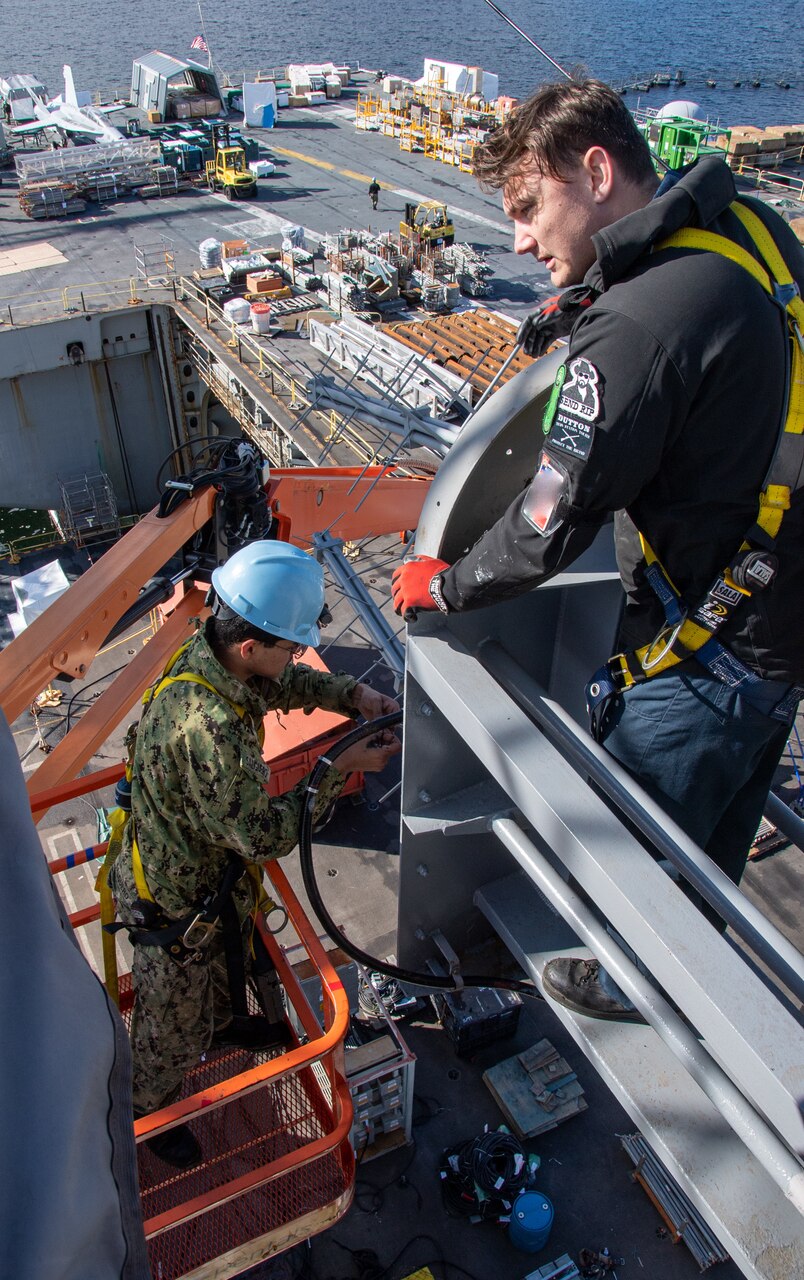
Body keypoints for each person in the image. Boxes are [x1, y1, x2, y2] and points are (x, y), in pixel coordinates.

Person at [392, 79, 804, 1022]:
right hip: (786, 613)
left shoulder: (636, 330)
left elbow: (547, 518)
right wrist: (591, 309)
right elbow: (716, 357)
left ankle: (626, 980)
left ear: (598, 169)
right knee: (715, 831)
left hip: (715, 651)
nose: (522, 243)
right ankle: (702, 941)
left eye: (529, 209)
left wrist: (447, 584)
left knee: (637, 837)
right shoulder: (749, 228)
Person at [110, 540, 400, 1167]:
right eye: (289, 644)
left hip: (197, 873)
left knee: (222, 975)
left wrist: (349, 696)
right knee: (168, 1027)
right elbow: (266, 834)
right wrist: (336, 766)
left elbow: (278, 682)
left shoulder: (213, 657)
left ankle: (222, 1023)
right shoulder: (209, 727)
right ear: (250, 645)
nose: (295, 655)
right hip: (174, 906)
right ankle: (149, 1114)